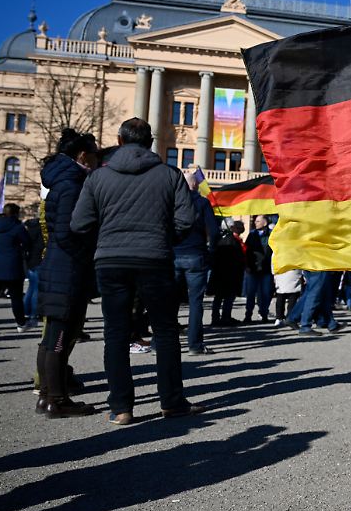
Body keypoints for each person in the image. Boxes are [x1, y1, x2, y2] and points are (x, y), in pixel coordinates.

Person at [70, 118, 200, 425]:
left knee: (115, 333)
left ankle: (121, 407)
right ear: (151, 142)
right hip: (155, 259)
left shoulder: (98, 178)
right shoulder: (170, 175)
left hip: (111, 260)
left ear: (118, 140)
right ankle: (171, 402)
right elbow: (186, 221)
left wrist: (105, 240)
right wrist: (163, 239)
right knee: (165, 333)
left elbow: (79, 224)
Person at [34, 129, 99, 418]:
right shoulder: (72, 183)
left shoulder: (59, 180)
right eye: (94, 156)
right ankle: (56, 399)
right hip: (68, 268)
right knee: (60, 335)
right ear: (83, 155)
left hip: (57, 265)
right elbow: (68, 230)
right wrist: (87, 250)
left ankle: (48, 396)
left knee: (52, 336)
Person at [173, 171, 216, 355]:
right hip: (196, 255)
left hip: (173, 254)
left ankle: (157, 344)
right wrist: (211, 250)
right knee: (195, 302)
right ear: (195, 186)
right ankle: (194, 345)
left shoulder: (172, 201)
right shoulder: (202, 202)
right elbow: (213, 231)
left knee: (169, 301)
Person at [0, 203, 31, 331]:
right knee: (16, 297)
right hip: (12, 266)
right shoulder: (18, 227)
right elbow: (28, 243)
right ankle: (21, 323)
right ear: (15, 213)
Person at [209, 221, 245, 327]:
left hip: (221, 272)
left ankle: (219, 317)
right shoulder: (230, 240)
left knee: (220, 297)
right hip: (229, 273)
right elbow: (236, 258)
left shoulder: (220, 238)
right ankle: (224, 317)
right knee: (227, 297)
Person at [243, 215, 274, 323]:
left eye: (258, 221)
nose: (255, 223)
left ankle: (264, 313)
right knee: (251, 293)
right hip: (253, 268)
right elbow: (246, 251)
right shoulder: (252, 234)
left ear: (265, 223)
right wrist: (246, 265)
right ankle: (248, 315)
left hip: (266, 269)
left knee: (265, 293)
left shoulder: (271, 234)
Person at [22, 216, 44, 327]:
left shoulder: (28, 231)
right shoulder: (41, 231)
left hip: (30, 261)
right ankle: (34, 314)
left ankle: (25, 311)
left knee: (31, 288)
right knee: (36, 289)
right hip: (38, 260)